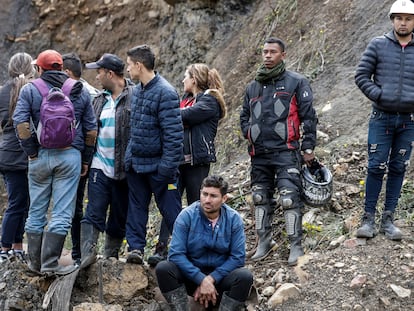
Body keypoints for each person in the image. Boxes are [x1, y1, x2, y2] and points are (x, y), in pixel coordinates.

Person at [13, 49, 97, 275]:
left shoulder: (30, 90)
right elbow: (91, 129)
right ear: (61, 68)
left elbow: (20, 123)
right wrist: (86, 158)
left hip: (39, 156)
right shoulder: (78, 89)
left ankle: (34, 264)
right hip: (70, 156)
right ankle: (51, 264)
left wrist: (31, 151)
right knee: (61, 211)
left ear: (39, 69)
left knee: (36, 210)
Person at [240, 37, 317, 266]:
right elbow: (244, 116)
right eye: (264, 51)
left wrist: (309, 147)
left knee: (289, 199)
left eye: (273, 52)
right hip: (259, 153)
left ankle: (296, 245)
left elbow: (309, 117)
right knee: (259, 197)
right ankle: (264, 241)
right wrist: (250, 133)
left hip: (287, 151)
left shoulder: (296, 82)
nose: (267, 55)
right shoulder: (253, 86)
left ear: (283, 55)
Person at [148, 63, 227, 267]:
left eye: (186, 76)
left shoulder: (209, 101)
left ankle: (198, 250)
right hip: (176, 164)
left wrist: (165, 114)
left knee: (196, 205)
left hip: (196, 164)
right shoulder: (184, 101)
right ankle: (162, 249)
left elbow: (185, 117)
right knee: (170, 203)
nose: (183, 80)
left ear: (194, 79)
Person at [354, 0, 414, 241]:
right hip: (381, 117)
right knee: (376, 166)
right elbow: (361, 75)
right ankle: (368, 218)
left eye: (408, 18)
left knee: (399, 167)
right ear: (392, 20)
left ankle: (388, 219)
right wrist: (380, 95)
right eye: (399, 18)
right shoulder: (378, 44)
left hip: (408, 121)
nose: (403, 22)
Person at [155, 175, 253, 310]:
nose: (207, 200)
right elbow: (176, 254)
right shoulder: (186, 216)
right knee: (164, 268)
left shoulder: (233, 219)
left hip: (220, 279)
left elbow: (238, 258)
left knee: (245, 276)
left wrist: (211, 279)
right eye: (204, 194)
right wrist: (201, 279)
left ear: (224, 199)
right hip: (191, 277)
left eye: (213, 196)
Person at [124, 44, 183, 264]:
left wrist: (167, 168)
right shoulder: (137, 90)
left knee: (171, 211)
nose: (128, 70)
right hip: (137, 165)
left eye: (129, 65)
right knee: (136, 208)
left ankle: (180, 251)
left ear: (139, 65)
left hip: (160, 167)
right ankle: (136, 249)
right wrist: (129, 158)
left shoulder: (166, 92)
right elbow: (134, 127)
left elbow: (173, 134)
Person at [80, 53, 134, 268]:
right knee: (93, 212)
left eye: (99, 73)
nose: (96, 77)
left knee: (119, 215)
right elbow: (89, 132)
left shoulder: (135, 97)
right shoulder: (98, 100)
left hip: (125, 168)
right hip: (98, 166)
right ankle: (87, 257)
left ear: (110, 74)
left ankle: (110, 257)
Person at [62, 52, 100, 265]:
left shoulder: (53, 91)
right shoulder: (93, 93)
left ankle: (50, 256)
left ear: (67, 72)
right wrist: (87, 159)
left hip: (55, 155)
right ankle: (77, 252)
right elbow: (92, 130)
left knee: (59, 205)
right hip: (82, 156)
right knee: (77, 205)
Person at [0, 53, 35, 262]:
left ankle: (16, 246)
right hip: (21, 155)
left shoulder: (3, 91)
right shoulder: (30, 90)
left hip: (5, 153)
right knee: (18, 203)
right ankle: (5, 248)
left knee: (20, 202)